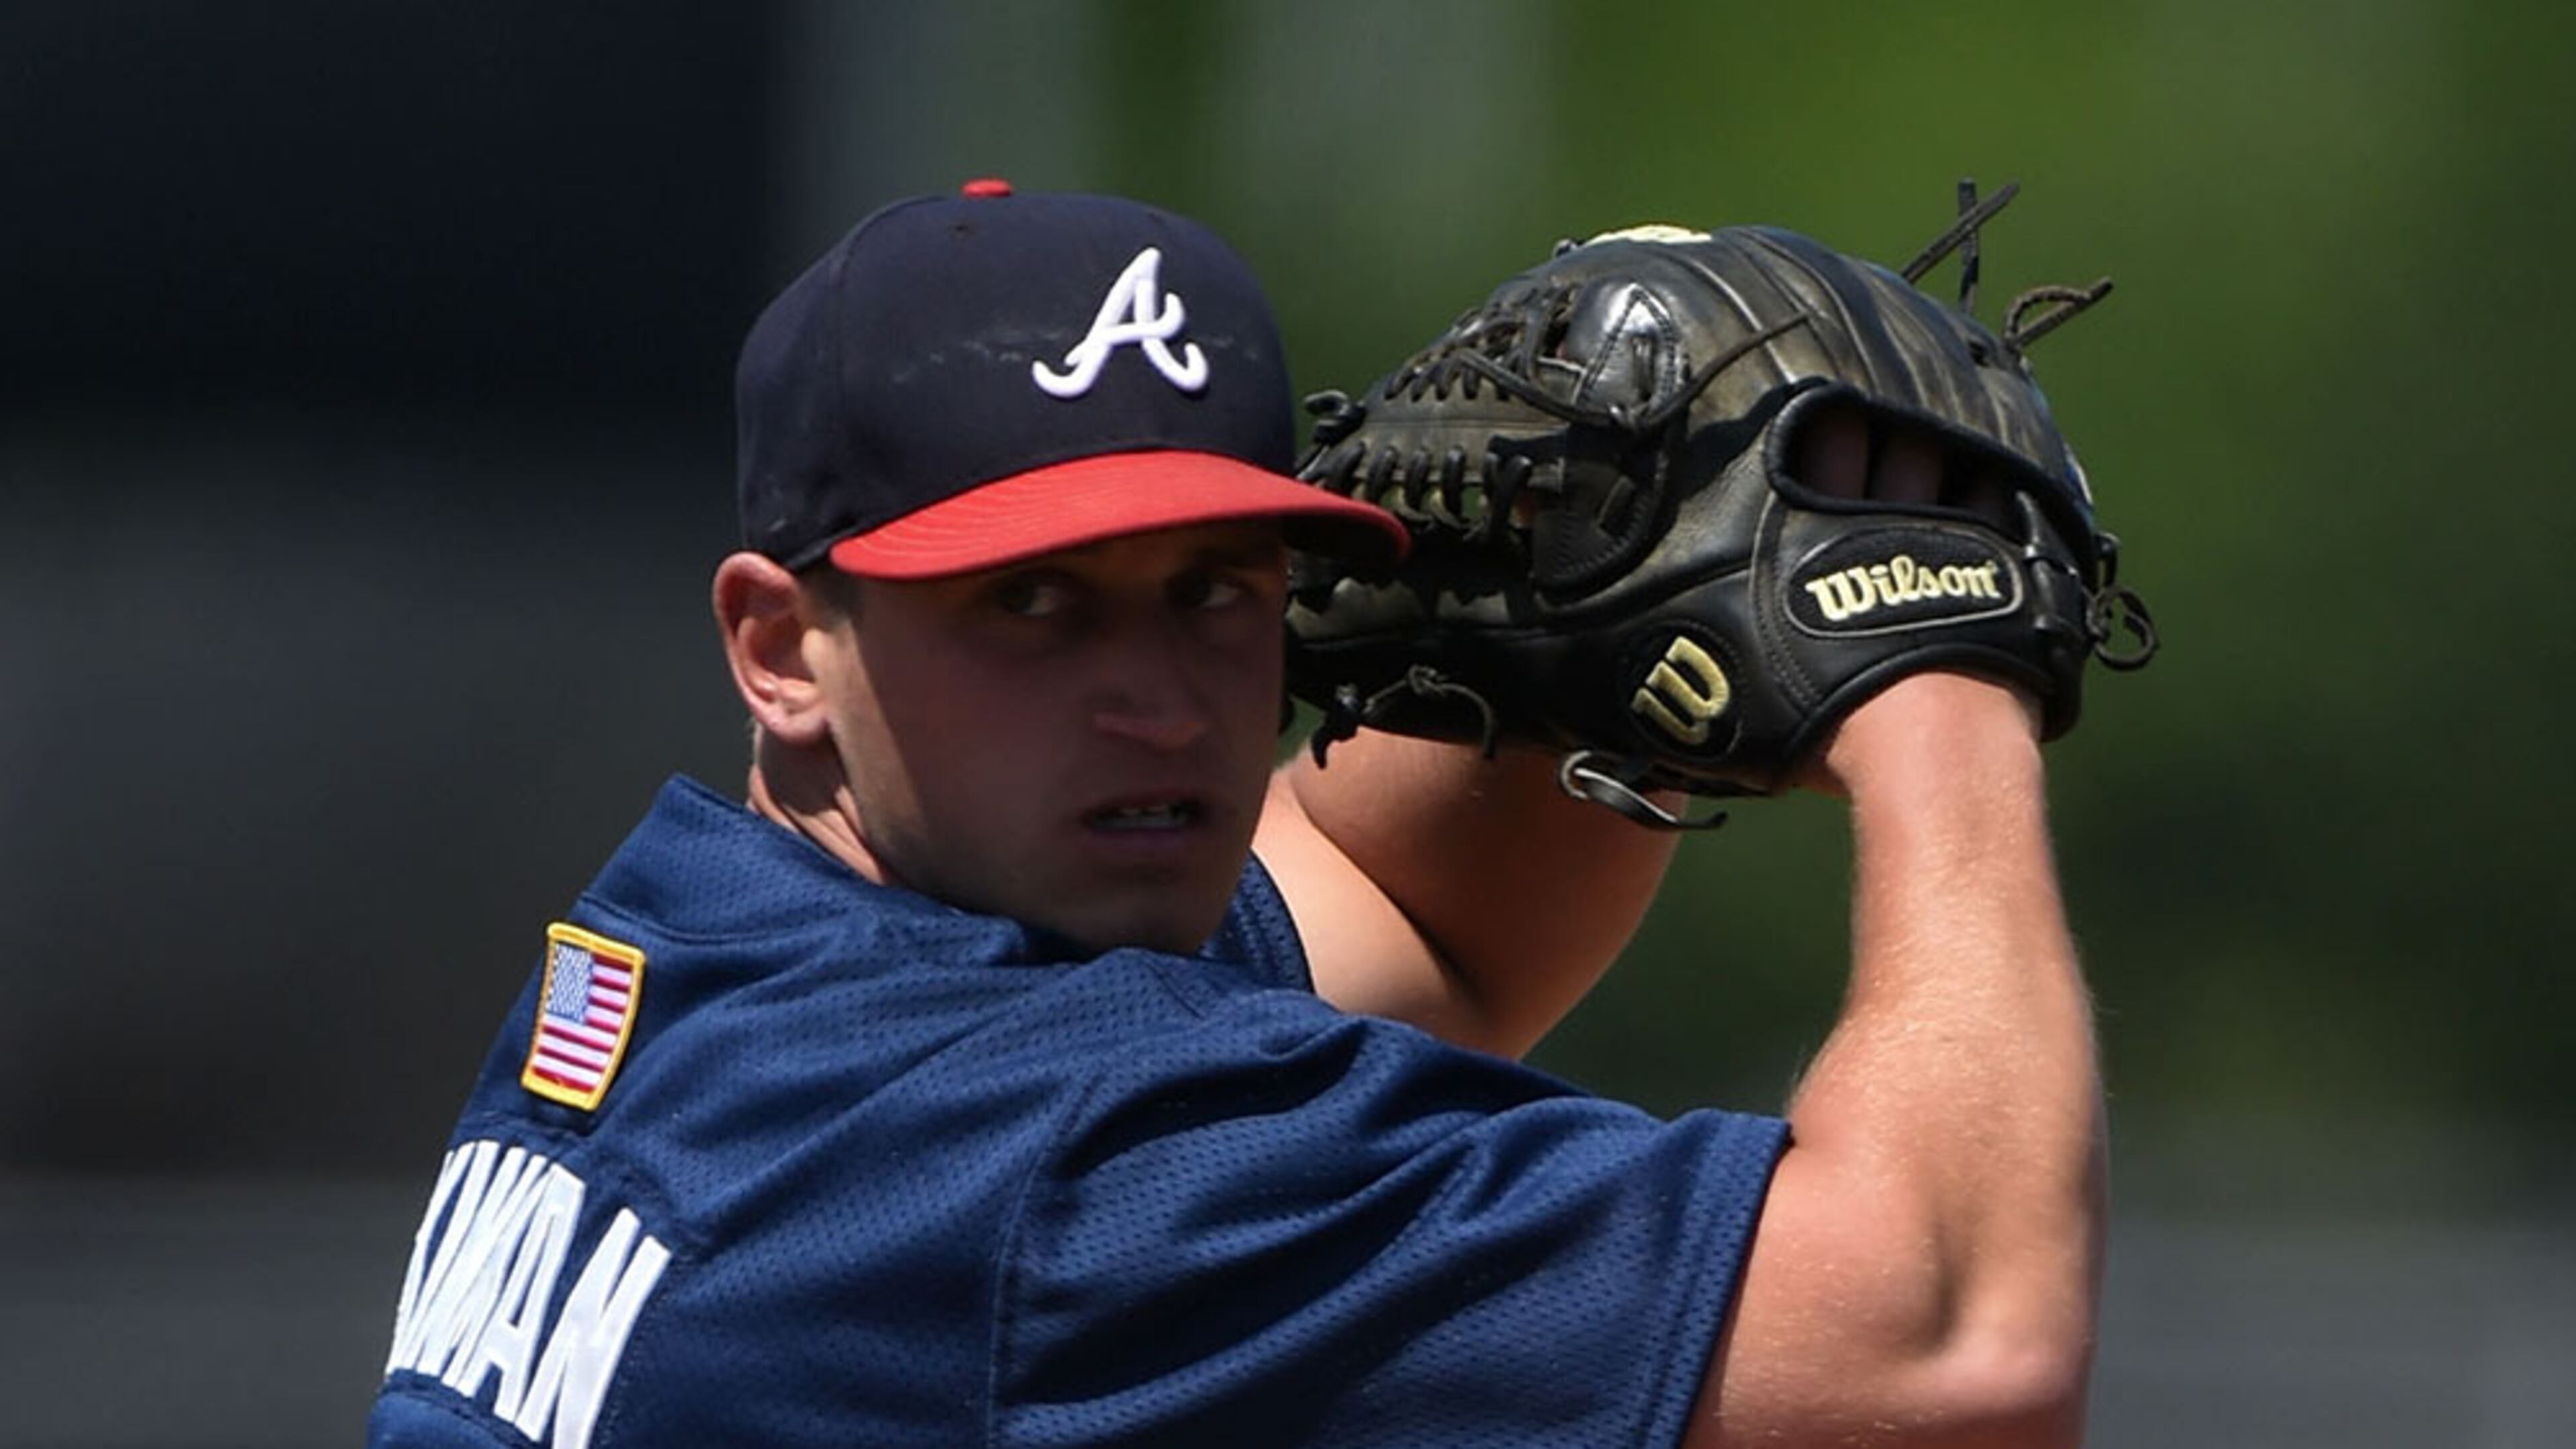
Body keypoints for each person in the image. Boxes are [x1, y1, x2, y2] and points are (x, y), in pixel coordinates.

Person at [367, 182, 2103, 1448]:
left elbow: (1406, 918)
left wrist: (1630, 652)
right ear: (780, 644)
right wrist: (1935, 700)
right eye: (1035, 604)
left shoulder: (700, 953)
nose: (1163, 699)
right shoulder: (1057, 1174)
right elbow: (1955, 1340)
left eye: (1217, 588)